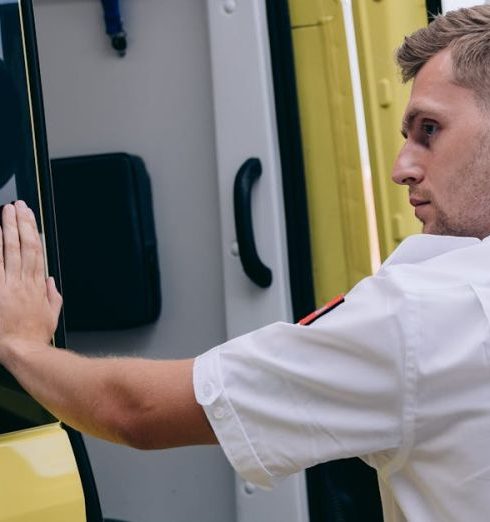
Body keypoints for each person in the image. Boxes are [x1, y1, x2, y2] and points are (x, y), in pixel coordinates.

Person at [1, 5, 490, 521]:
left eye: (429, 130)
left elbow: (135, 413)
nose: (401, 169)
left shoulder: (422, 314)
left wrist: (21, 345)